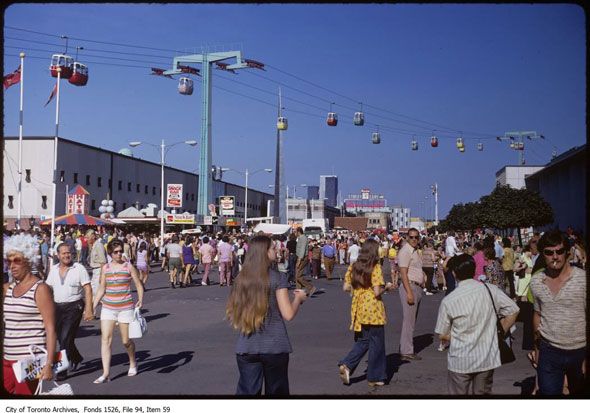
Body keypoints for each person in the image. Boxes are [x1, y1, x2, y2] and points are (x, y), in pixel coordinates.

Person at [226, 235, 308, 395]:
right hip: (275, 346)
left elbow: (235, 310)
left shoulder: (241, 279)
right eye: (272, 248)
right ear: (264, 252)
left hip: (247, 345)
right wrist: (298, 298)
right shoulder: (278, 277)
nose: (276, 250)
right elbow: (288, 314)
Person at [435, 253, 519, 395]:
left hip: (460, 360)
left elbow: (442, 334)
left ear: (454, 273)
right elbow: (514, 310)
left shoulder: (449, 300)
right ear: (474, 271)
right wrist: (499, 331)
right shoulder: (490, 290)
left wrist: (459, 337)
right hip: (486, 357)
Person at [530, 230, 586, 395]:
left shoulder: (582, 279)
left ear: (567, 253)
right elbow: (537, 315)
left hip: (580, 350)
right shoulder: (536, 281)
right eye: (549, 252)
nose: (555, 256)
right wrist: (537, 350)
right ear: (543, 255)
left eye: (559, 251)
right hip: (550, 351)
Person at [3, 233, 57, 395]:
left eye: (17, 260)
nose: (12, 266)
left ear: (28, 260)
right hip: (7, 359)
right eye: (9, 261)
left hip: (29, 361)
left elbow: (51, 328)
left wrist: (49, 364)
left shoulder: (40, 289)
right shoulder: (8, 289)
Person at [338, 239, 394, 387]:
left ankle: (347, 364)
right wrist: (387, 287)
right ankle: (375, 376)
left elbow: (345, 287)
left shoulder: (354, 266)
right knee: (377, 343)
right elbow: (377, 292)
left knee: (364, 340)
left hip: (359, 306)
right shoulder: (375, 267)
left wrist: (357, 291)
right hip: (373, 308)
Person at [92, 239, 144, 383]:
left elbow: (138, 285)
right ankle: (106, 373)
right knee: (105, 339)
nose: (119, 254)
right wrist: (93, 305)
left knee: (126, 341)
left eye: (121, 251)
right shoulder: (105, 268)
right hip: (108, 308)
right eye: (116, 252)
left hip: (125, 307)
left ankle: (133, 361)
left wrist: (140, 299)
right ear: (110, 253)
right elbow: (102, 287)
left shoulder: (128, 266)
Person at [45, 242, 94, 379]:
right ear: (58, 255)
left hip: (74, 307)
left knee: (65, 338)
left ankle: (61, 371)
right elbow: (48, 289)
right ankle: (76, 357)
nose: (67, 255)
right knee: (63, 339)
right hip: (57, 307)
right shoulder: (53, 269)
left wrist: (89, 309)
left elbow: (88, 289)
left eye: (68, 252)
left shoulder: (78, 268)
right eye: (64, 253)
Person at [397, 228, 426, 361]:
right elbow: (403, 272)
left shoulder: (415, 251)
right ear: (407, 237)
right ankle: (406, 350)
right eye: (411, 237)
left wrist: (423, 278)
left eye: (416, 237)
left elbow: (416, 268)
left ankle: (405, 347)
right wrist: (409, 292)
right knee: (409, 320)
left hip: (416, 286)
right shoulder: (405, 251)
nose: (414, 239)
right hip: (410, 287)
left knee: (411, 320)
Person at [87, 229, 107, 317]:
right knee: (94, 292)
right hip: (95, 271)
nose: (87, 239)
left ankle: (111, 311)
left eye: (88, 237)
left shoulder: (98, 245)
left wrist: (101, 276)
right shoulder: (93, 246)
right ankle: (92, 312)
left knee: (98, 293)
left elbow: (103, 261)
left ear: (93, 236)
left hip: (99, 270)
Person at [295, 227, 316, 296]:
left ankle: (310, 287)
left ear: (298, 232)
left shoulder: (303, 238)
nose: (295, 233)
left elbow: (302, 249)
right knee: (297, 274)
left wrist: (299, 260)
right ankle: (298, 291)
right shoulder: (301, 238)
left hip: (303, 258)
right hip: (301, 257)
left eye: (295, 232)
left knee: (298, 275)